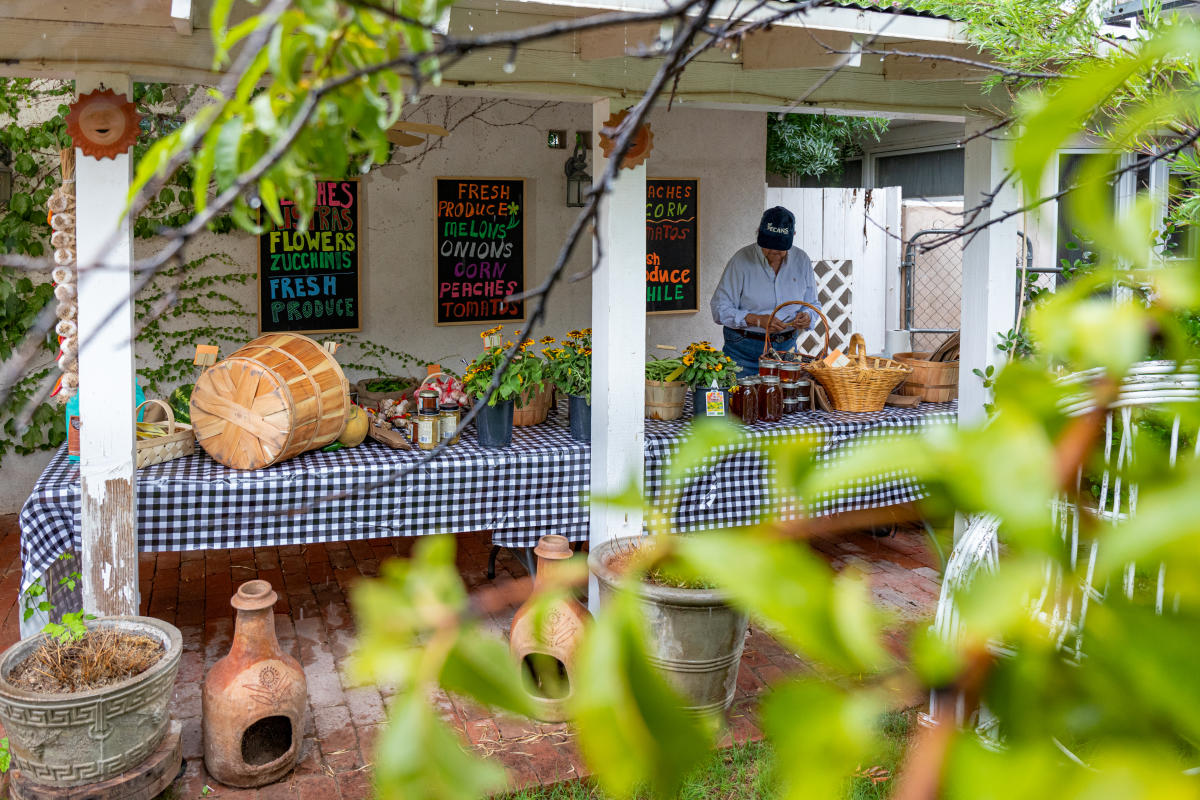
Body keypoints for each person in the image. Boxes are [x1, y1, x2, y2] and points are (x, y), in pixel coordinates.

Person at [710, 206, 820, 374]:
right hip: (743, 350)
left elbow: (812, 304)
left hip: (786, 350)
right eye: (768, 245)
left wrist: (808, 316)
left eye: (780, 247)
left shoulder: (801, 260)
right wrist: (756, 319)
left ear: (793, 237)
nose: (774, 251)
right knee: (739, 399)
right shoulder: (741, 260)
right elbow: (719, 309)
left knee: (786, 399)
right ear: (758, 233)